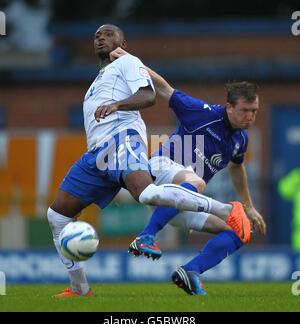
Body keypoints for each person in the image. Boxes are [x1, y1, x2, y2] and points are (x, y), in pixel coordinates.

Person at [47, 24, 247, 297]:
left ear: (123, 44)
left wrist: (117, 105)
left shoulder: (127, 62)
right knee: (56, 216)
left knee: (147, 194)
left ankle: (225, 209)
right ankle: (79, 287)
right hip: (96, 154)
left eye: (108, 34)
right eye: (96, 35)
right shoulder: (97, 82)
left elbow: (149, 95)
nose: (100, 37)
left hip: (122, 139)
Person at [111, 47, 266, 296]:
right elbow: (163, 88)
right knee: (196, 181)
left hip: (183, 198)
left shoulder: (241, 140)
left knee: (238, 231)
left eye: (254, 111)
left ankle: (190, 271)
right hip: (162, 169)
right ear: (228, 107)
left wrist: (248, 206)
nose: (250, 116)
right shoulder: (202, 114)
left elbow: (237, 168)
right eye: (245, 110)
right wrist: (131, 61)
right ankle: (146, 236)